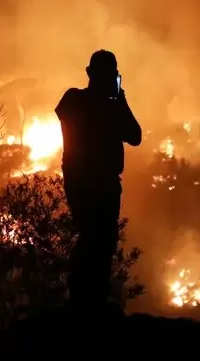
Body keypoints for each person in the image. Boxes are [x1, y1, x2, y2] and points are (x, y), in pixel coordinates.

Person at [55, 49, 142, 315]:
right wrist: (117, 101)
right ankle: (86, 300)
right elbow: (133, 134)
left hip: (92, 181)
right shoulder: (78, 100)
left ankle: (89, 298)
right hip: (91, 181)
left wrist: (117, 102)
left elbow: (135, 136)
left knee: (100, 240)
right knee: (96, 239)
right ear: (93, 75)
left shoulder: (89, 103)